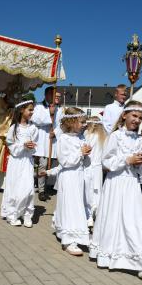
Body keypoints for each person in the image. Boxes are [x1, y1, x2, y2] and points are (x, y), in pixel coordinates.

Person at [90, 101, 142, 281]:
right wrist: (127, 160)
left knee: (135, 222)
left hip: (131, 185)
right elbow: (106, 162)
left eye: (140, 117)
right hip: (116, 184)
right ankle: (108, 255)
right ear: (124, 115)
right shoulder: (115, 136)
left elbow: (136, 165)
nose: (137, 120)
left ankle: (140, 262)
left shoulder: (139, 139)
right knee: (113, 218)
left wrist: (140, 163)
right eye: (134, 116)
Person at [54, 107, 90, 256]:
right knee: (69, 204)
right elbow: (65, 161)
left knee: (77, 204)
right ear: (72, 121)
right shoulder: (63, 139)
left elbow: (83, 160)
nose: (84, 124)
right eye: (81, 122)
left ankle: (76, 234)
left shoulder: (81, 138)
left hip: (78, 176)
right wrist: (80, 153)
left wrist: (86, 153)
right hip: (68, 176)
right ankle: (68, 239)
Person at [0, 99, 38, 227]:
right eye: (30, 109)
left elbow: (35, 146)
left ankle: (27, 214)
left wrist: (31, 146)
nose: (32, 112)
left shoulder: (33, 128)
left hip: (27, 161)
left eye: (33, 109)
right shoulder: (14, 128)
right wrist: (23, 145)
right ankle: (12, 214)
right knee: (15, 188)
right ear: (22, 110)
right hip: (16, 162)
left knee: (28, 189)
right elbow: (11, 145)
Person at [31, 87, 62, 201]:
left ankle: (46, 185)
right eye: (52, 95)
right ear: (46, 95)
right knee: (43, 165)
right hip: (42, 140)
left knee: (51, 165)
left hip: (53, 141)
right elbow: (36, 120)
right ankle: (41, 190)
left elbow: (61, 125)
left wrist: (56, 132)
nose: (55, 97)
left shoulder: (60, 109)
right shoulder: (38, 106)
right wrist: (49, 113)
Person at [83, 116, 105, 226]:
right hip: (98, 168)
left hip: (88, 166)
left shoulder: (88, 135)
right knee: (97, 190)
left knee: (88, 191)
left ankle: (89, 216)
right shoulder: (103, 137)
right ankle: (96, 211)